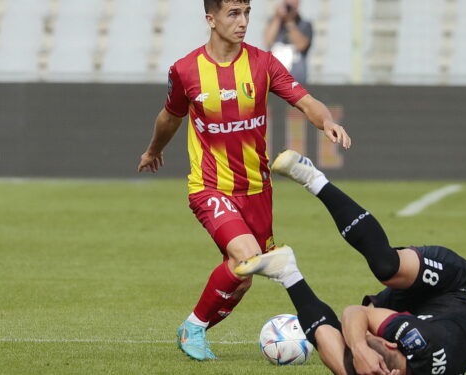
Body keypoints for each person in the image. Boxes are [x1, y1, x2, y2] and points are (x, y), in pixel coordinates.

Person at [137, 0, 351, 361]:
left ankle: (195, 328)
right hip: (209, 187)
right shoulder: (186, 70)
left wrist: (326, 120)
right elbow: (170, 117)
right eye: (233, 13)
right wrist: (153, 149)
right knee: (248, 255)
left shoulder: (263, 63)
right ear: (211, 19)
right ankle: (193, 327)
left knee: (244, 272)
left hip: (257, 190)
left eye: (247, 12)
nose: (243, 21)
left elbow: (304, 100)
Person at [235, 150, 466, 375]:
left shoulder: (390, 360)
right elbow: (356, 313)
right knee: (387, 268)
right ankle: (314, 180)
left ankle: (286, 272)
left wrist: (355, 350)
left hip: (423, 318)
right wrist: (359, 346)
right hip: (450, 290)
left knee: (345, 363)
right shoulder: (418, 340)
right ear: (390, 342)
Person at [264, 0, 313, 83]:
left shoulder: (305, 25)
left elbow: (302, 45)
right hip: (275, 79)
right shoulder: (275, 23)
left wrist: (289, 22)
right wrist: (277, 17)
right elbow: (268, 41)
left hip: (296, 81)